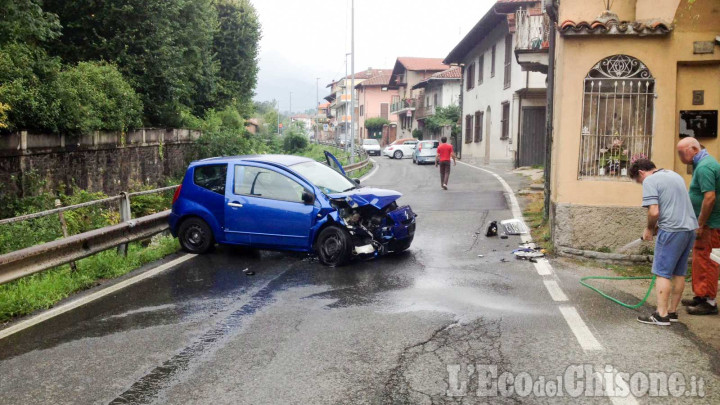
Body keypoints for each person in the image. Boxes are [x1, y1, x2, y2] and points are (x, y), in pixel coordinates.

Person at [629, 159, 698, 326]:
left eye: (639, 181)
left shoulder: (651, 180)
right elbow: (673, 206)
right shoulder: (674, 175)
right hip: (689, 229)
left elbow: (654, 211)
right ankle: (672, 312)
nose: (641, 184)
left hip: (672, 230)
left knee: (663, 272)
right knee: (679, 272)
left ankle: (661, 315)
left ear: (641, 173)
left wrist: (649, 229)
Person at [677, 137, 720, 315]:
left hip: (710, 224)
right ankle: (701, 296)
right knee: (700, 259)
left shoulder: (705, 167)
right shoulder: (701, 164)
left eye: (681, 152)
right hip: (705, 223)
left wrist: (701, 223)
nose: (680, 156)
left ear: (693, 149)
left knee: (709, 261)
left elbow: (710, 198)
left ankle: (709, 302)